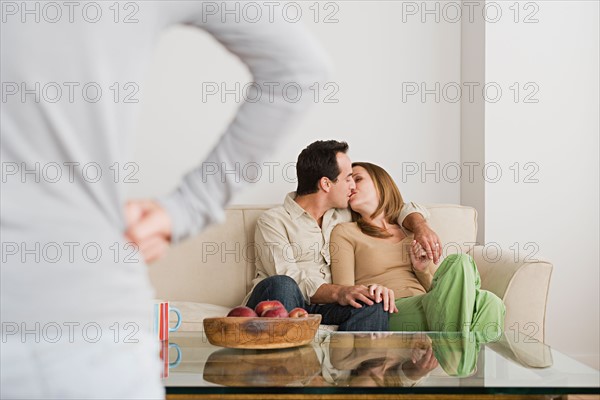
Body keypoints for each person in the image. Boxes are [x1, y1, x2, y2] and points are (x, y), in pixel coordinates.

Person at [1, 3, 331, 398]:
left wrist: (188, 206)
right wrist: (187, 206)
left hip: (69, 325)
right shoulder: (280, 219)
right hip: (75, 329)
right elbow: (298, 71)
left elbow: (297, 72)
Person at [243, 141, 442, 331]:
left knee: (373, 303)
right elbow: (289, 275)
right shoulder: (273, 221)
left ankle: (356, 365)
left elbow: (392, 209)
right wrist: (340, 291)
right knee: (283, 284)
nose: (352, 186)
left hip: (325, 306)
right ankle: (284, 364)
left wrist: (420, 225)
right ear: (326, 184)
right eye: (348, 178)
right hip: (282, 301)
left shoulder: (344, 215)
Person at [330, 162, 505, 339]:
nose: (352, 185)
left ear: (381, 184)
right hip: (391, 309)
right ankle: (458, 357)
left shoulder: (410, 231)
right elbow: (345, 291)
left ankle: (453, 357)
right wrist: (372, 290)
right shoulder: (345, 231)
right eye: (348, 181)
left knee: (470, 274)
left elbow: (438, 289)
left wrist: (421, 270)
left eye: (358, 179)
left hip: (432, 303)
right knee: (486, 305)